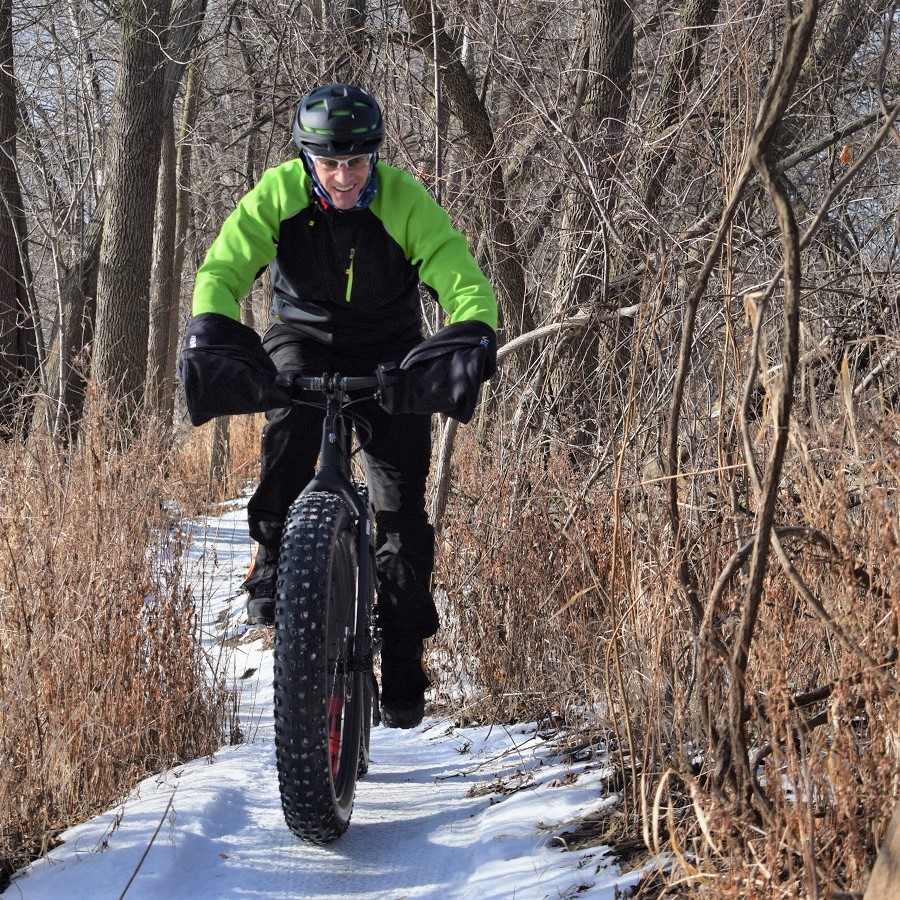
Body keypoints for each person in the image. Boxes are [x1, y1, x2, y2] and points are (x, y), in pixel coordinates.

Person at [181, 83, 498, 729]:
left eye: (357, 161)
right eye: (330, 161)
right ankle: (273, 554)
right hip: (304, 334)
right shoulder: (278, 193)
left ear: (373, 156)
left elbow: (459, 276)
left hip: (389, 349)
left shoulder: (406, 199)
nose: (345, 175)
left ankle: (405, 655)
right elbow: (223, 268)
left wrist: (469, 334)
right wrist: (212, 325)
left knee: (400, 506)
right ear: (306, 157)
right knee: (290, 419)